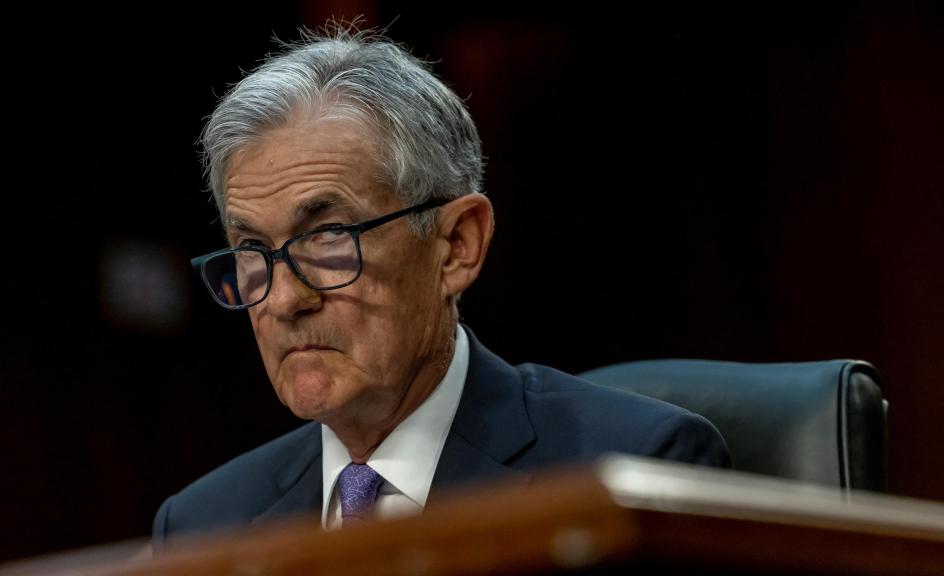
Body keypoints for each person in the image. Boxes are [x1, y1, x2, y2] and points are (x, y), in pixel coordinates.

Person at [153, 26, 730, 544]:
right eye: (253, 251)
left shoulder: (634, 468)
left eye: (328, 236)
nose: (282, 300)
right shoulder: (203, 525)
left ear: (457, 245)